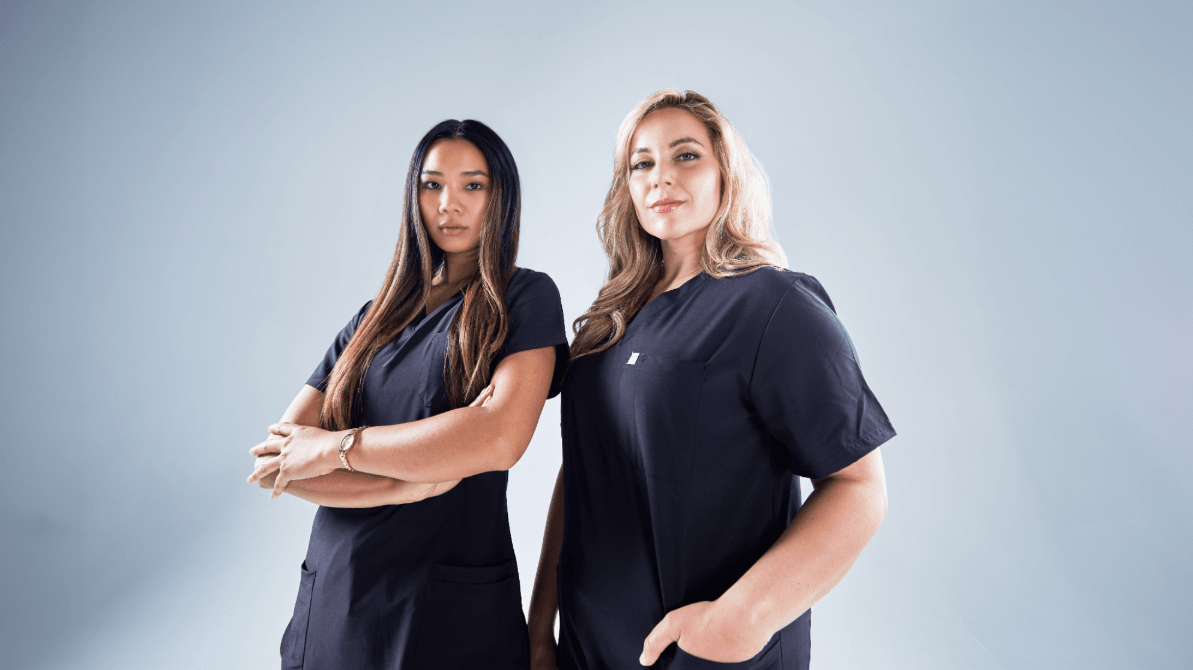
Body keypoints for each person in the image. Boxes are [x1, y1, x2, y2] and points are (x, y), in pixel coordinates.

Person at [527, 90, 895, 670]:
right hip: (587, 650)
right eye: (641, 163)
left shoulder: (774, 305)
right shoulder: (609, 323)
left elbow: (858, 488)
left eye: (686, 156)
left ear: (727, 172)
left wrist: (740, 620)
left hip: (705, 654)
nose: (661, 177)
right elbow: (584, 473)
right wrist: (538, 625)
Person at [246, 119, 568, 670]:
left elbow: (497, 438)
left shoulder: (525, 298)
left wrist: (334, 447)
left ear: (501, 197)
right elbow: (279, 462)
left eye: (473, 185)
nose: (449, 203)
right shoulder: (372, 319)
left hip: (446, 605)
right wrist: (402, 486)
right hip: (337, 598)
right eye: (431, 184)